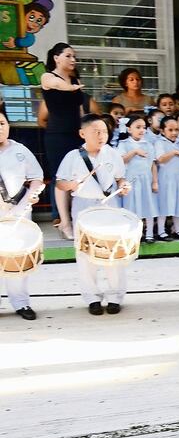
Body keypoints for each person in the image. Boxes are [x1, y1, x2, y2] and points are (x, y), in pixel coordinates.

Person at [55, 114, 132, 315]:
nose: (101, 135)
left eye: (104, 131)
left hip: (109, 205)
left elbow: (120, 178)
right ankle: (92, 298)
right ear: (82, 134)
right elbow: (60, 183)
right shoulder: (73, 157)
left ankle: (115, 297)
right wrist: (71, 185)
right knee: (85, 254)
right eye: (96, 132)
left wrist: (124, 185)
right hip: (83, 205)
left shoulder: (113, 154)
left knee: (113, 251)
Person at [38, 43, 100, 240]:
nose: (73, 59)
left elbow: (79, 110)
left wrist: (87, 131)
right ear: (56, 58)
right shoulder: (47, 77)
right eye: (68, 56)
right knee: (62, 179)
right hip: (57, 136)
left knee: (81, 176)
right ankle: (64, 222)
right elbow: (58, 85)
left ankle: (78, 219)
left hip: (76, 134)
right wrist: (70, 87)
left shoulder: (75, 80)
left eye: (74, 56)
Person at [0, 109, 45, 320]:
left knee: (17, 257)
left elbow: (36, 177)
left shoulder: (20, 150)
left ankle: (21, 303)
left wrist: (32, 195)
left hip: (19, 210)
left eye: (2, 123)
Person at [118, 115, 160, 242]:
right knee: (133, 207)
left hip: (146, 180)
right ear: (129, 129)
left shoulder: (148, 145)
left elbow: (153, 164)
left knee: (148, 205)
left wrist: (155, 181)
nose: (142, 130)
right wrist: (134, 151)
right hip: (131, 181)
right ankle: (135, 233)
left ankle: (149, 233)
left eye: (144, 127)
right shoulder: (124, 144)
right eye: (138, 127)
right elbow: (121, 160)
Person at [154, 115, 179, 239]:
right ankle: (161, 231)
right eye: (170, 130)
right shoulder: (160, 143)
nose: (174, 133)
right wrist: (173, 152)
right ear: (162, 131)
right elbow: (160, 159)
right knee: (163, 204)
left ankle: (178, 230)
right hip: (165, 178)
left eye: (176, 130)